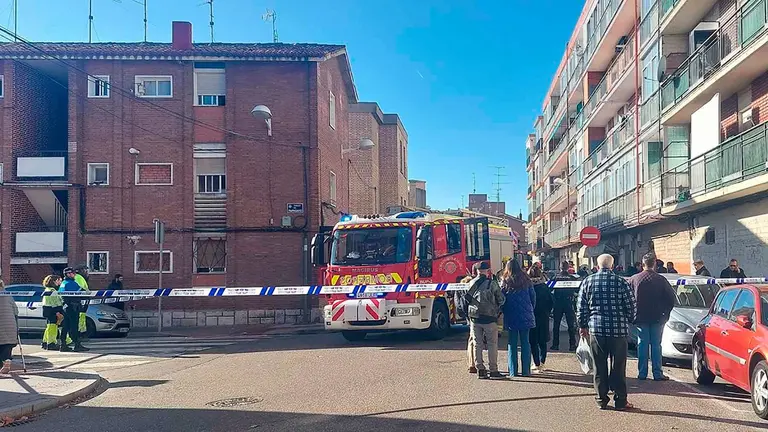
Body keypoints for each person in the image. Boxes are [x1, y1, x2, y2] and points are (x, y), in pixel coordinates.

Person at [577, 254, 636, 410]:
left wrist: (582, 325)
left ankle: (601, 399)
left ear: (597, 265)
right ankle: (621, 400)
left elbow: (581, 307)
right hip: (618, 330)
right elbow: (631, 305)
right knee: (618, 366)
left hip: (596, 330)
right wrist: (629, 319)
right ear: (613, 265)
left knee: (599, 365)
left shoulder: (587, 282)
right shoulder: (621, 282)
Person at [628, 253, 676, 381]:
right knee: (656, 345)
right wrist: (665, 313)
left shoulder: (634, 279)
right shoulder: (661, 280)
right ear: (654, 264)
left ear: (642, 264)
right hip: (658, 317)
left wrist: (631, 314)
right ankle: (657, 373)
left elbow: (627, 298)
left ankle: (642, 373)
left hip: (640, 317)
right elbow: (671, 299)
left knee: (642, 344)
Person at [465, 261, 505, 379]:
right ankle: (493, 370)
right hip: (489, 318)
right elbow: (501, 299)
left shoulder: (471, 283)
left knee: (477, 343)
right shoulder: (492, 284)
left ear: (477, 271)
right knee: (492, 344)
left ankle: (480, 369)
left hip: (474, 318)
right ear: (488, 271)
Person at [501, 259, 536, 377]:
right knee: (526, 342)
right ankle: (526, 371)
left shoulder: (505, 281)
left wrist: (504, 311)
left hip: (511, 315)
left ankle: (513, 371)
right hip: (526, 315)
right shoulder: (527, 280)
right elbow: (533, 298)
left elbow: (502, 299)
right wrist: (530, 309)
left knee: (512, 343)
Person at [456, 274, 487, 374]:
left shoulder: (459, 287)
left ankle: (471, 363)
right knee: (475, 339)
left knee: (472, 339)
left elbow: (458, 304)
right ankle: (474, 364)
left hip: (467, 314)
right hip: (476, 313)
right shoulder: (475, 285)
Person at [528, 265, 552, 373]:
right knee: (543, 341)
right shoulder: (544, 287)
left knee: (533, 341)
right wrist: (548, 311)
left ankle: (536, 363)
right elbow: (552, 301)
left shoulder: (528, 287)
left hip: (532, 316)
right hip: (544, 315)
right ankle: (542, 362)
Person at [59, 267, 89, 352]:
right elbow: (82, 292)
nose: (74, 275)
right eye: (72, 273)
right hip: (73, 307)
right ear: (68, 274)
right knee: (74, 326)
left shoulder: (63, 283)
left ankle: (63, 345)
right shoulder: (71, 283)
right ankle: (77, 344)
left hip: (66, 307)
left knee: (66, 326)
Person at [552, 261, 578, 352]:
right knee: (571, 325)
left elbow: (549, 289)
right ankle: (572, 345)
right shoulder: (572, 278)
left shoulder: (555, 277)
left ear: (560, 267)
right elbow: (577, 290)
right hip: (568, 302)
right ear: (568, 268)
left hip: (558, 302)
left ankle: (555, 345)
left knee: (556, 325)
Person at [41, 275, 64, 351]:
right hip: (53, 310)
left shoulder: (47, 289)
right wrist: (57, 312)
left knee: (49, 326)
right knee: (53, 327)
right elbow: (55, 302)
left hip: (48, 310)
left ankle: (45, 342)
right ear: (54, 281)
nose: (60, 282)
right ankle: (51, 343)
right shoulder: (52, 291)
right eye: (59, 280)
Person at [0, 280, 19, 375]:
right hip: (10, 324)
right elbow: (16, 310)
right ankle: (7, 360)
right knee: (7, 345)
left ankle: (4, 362)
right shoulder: (8, 295)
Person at [74, 265, 91, 337]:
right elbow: (80, 288)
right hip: (80, 300)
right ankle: (79, 333)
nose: (87, 273)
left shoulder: (80, 277)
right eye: (86, 271)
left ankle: (81, 332)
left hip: (82, 300)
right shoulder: (79, 277)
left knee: (82, 317)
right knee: (80, 317)